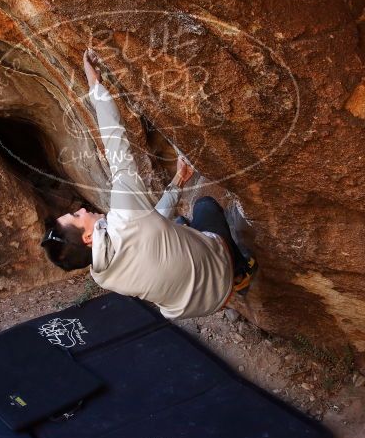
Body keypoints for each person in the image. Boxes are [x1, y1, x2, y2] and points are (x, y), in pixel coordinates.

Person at [40, 49, 256, 319]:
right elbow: (115, 142)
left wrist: (178, 181)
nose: (81, 210)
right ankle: (241, 270)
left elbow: (148, 224)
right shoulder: (125, 217)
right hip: (219, 279)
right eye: (76, 215)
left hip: (190, 308)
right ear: (87, 238)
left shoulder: (101, 276)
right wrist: (94, 84)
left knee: (176, 225)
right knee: (205, 207)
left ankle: (225, 278)